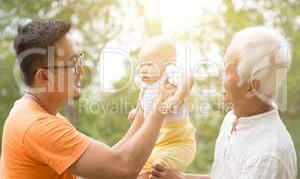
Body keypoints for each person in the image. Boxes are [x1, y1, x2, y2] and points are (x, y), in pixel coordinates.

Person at [0, 19, 186, 179]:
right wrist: (160, 108)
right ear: (44, 77)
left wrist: (142, 115)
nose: (81, 71)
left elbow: (107, 161)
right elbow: (123, 167)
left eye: (79, 59)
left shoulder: (40, 115)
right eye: (73, 63)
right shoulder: (38, 126)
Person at [150, 27, 297, 179]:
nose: (219, 73)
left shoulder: (266, 156)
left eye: (227, 69)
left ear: (251, 88)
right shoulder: (232, 118)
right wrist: (182, 177)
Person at [126, 36, 196, 179]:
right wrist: (138, 109)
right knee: (138, 170)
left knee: (158, 169)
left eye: (149, 64)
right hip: (157, 145)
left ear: (168, 64)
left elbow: (189, 79)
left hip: (178, 143)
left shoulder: (170, 76)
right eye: (141, 65)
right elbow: (143, 98)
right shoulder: (146, 85)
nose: (143, 70)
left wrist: (177, 98)